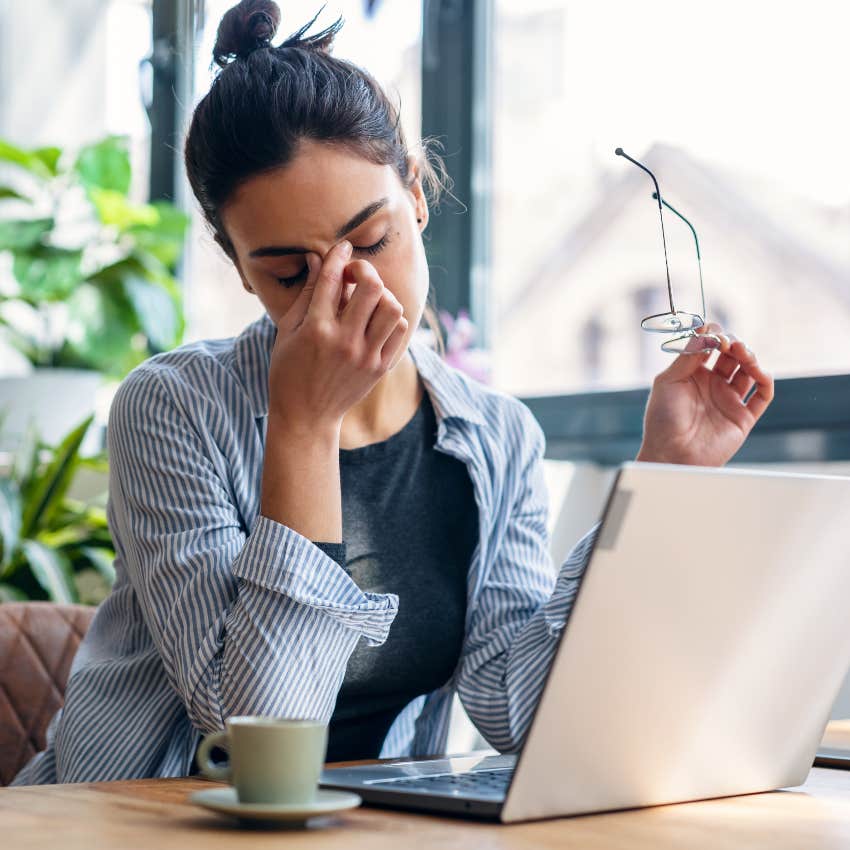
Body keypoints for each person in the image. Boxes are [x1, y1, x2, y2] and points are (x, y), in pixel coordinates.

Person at [11, 0, 773, 785]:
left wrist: (661, 474)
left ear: (415, 190)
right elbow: (261, 742)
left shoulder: (497, 437)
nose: (351, 288)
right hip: (132, 822)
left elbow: (518, 707)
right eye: (289, 273)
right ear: (239, 267)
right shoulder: (173, 410)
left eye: (371, 240)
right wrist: (303, 429)